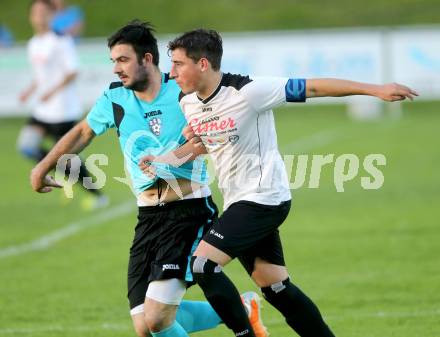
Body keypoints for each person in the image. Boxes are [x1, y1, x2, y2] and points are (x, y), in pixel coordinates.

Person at [139, 29, 418, 337]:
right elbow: (205, 143)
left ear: (202, 64)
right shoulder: (187, 101)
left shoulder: (249, 91)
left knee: (203, 265)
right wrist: (165, 161)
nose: (171, 72)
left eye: (178, 64)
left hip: (264, 199)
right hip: (239, 203)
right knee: (276, 288)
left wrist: (375, 90)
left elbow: (313, 87)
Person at [30, 21, 267, 337]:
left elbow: (207, 140)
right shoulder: (114, 98)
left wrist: (168, 160)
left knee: (157, 318)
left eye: (123, 60)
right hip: (147, 216)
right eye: (113, 61)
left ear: (147, 59)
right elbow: (83, 131)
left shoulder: (183, 91)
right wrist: (43, 165)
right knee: (144, 324)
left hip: (188, 210)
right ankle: (242, 307)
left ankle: (239, 311)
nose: (116, 68)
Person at [18, 0, 107, 210]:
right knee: (27, 146)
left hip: (63, 110)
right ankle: (47, 169)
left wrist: (52, 91)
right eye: (35, 12)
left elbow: (72, 71)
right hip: (42, 110)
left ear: (51, 16)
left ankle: (97, 194)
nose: (39, 16)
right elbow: (40, 76)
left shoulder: (61, 41)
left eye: (43, 12)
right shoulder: (33, 43)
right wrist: (30, 90)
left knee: (67, 160)